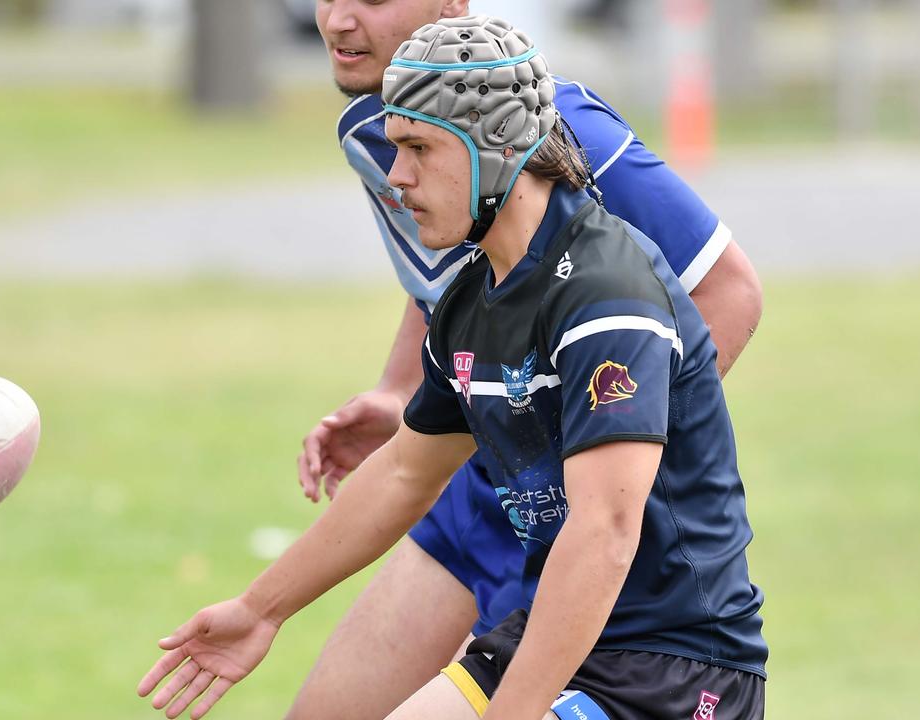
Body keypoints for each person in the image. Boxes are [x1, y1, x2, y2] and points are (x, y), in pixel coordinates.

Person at [139, 16, 767, 720]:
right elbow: (406, 471)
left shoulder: (605, 293)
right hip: (550, 631)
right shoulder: (475, 296)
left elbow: (605, 532)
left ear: (500, 150)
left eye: (418, 150)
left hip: (674, 664)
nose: (397, 177)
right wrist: (261, 610)